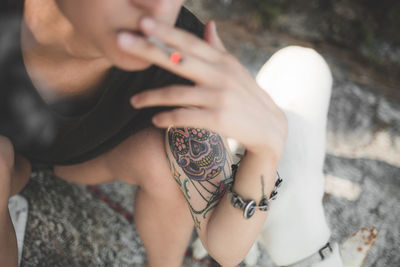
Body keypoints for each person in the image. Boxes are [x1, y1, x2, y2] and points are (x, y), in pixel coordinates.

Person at [0, 0, 291, 266]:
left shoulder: (180, 55)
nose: (158, 7)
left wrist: (265, 153)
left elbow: (226, 249)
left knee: (159, 156)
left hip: (80, 160)